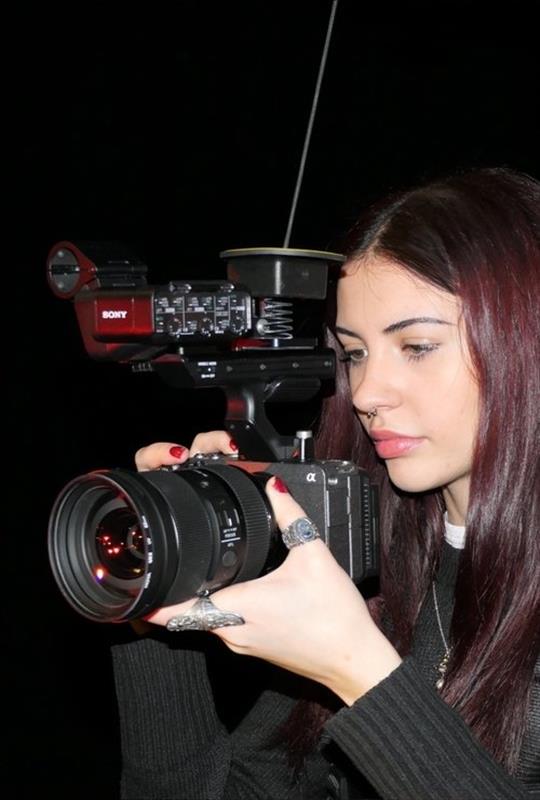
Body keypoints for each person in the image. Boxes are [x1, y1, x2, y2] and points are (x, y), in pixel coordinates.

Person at [111, 167, 540, 799]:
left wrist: (358, 669)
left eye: (417, 346)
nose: (365, 393)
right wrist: (160, 590)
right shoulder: (373, 563)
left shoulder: (352, 623)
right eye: (355, 353)